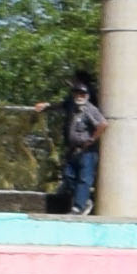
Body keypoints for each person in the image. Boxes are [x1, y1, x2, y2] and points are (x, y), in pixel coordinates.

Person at [32, 72, 105, 215]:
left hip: (87, 150)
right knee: (69, 176)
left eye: (81, 93)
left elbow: (102, 124)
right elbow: (62, 104)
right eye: (76, 92)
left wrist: (91, 139)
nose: (78, 95)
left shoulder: (90, 106)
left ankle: (79, 206)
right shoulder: (71, 103)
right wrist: (47, 106)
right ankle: (84, 200)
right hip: (73, 148)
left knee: (84, 178)